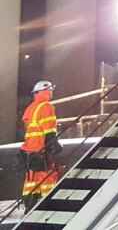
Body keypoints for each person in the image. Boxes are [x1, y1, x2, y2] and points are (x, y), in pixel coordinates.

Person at [19, 80, 62, 212]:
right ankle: (47, 203)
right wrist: (53, 144)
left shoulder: (30, 108)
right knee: (47, 177)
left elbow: (29, 129)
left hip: (29, 150)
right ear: (45, 91)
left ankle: (29, 204)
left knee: (32, 178)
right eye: (50, 90)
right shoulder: (46, 106)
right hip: (41, 148)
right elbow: (48, 129)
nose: (51, 92)